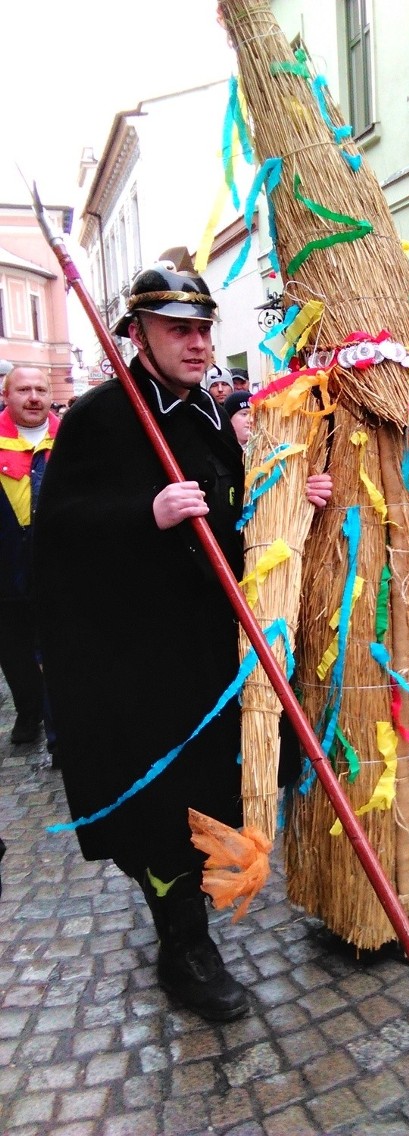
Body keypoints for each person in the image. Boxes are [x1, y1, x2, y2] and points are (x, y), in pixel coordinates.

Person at [33, 264, 249, 1021]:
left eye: (202, 328)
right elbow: (56, 533)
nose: (196, 344)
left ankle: (188, 913)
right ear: (138, 334)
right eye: (177, 330)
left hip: (208, 647)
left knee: (211, 789)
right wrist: (143, 514)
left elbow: (230, 512)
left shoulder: (210, 416)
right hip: (135, 657)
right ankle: (182, 945)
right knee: (160, 802)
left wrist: (283, 504)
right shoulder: (99, 417)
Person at [0, 366, 59, 745]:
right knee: (13, 646)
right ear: (6, 395)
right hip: (7, 554)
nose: (34, 396)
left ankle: (60, 727)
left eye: (40, 388)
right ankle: (28, 710)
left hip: (56, 555)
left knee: (57, 643)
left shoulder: (69, 436)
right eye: (23, 389)